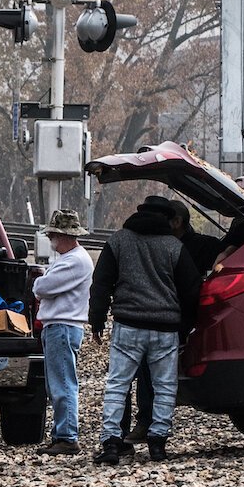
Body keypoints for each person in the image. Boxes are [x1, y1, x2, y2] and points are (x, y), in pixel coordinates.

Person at [89, 194, 202, 465]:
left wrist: (97, 320)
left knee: (118, 385)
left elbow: (101, 283)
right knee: (164, 387)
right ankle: (157, 444)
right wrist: (184, 327)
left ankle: (112, 444)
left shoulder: (118, 240)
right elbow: (191, 290)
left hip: (128, 325)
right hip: (165, 328)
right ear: (167, 218)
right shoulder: (174, 246)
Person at [119, 198, 220, 443]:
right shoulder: (191, 245)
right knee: (149, 373)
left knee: (147, 374)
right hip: (168, 317)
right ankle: (152, 428)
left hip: (178, 318)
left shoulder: (199, 246)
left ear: (176, 221)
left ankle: (150, 426)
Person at [31, 209, 93, 457]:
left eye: (54, 235)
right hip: (62, 327)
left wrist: (41, 281)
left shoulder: (74, 261)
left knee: (63, 383)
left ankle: (67, 436)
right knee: (59, 382)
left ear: (64, 235)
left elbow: (42, 286)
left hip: (62, 327)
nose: (52, 240)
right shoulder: (74, 259)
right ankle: (62, 433)